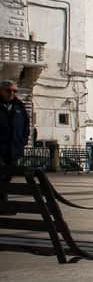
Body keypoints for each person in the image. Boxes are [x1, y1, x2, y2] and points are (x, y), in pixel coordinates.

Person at [1, 80, 30, 211]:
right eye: (8, 90)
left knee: (7, 177)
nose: (12, 93)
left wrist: (22, 142)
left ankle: (3, 203)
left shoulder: (20, 107)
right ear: (1, 91)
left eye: (14, 91)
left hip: (14, 150)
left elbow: (26, 127)